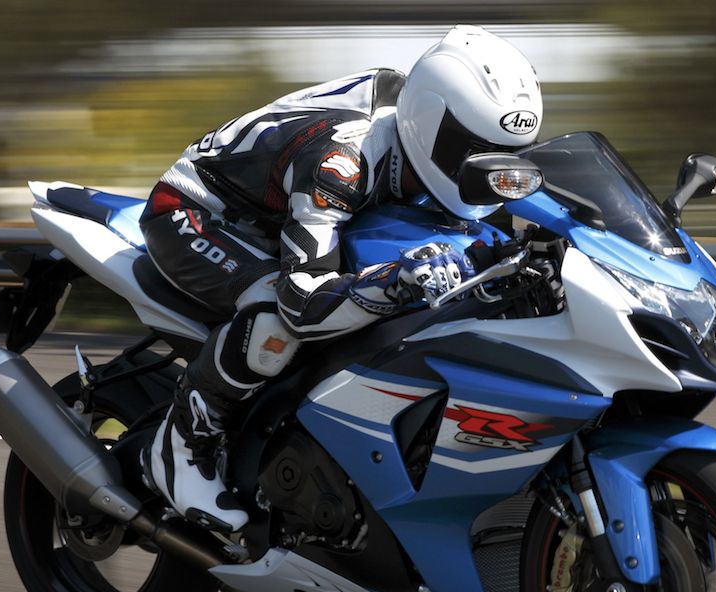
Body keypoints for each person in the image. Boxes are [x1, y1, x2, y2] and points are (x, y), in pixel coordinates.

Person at [138, 25, 544, 531]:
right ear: (431, 124)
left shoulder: (424, 146)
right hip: (200, 212)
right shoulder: (344, 162)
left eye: (506, 153)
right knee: (272, 317)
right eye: (473, 150)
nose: (490, 172)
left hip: (286, 216)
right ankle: (181, 446)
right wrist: (395, 281)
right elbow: (302, 302)